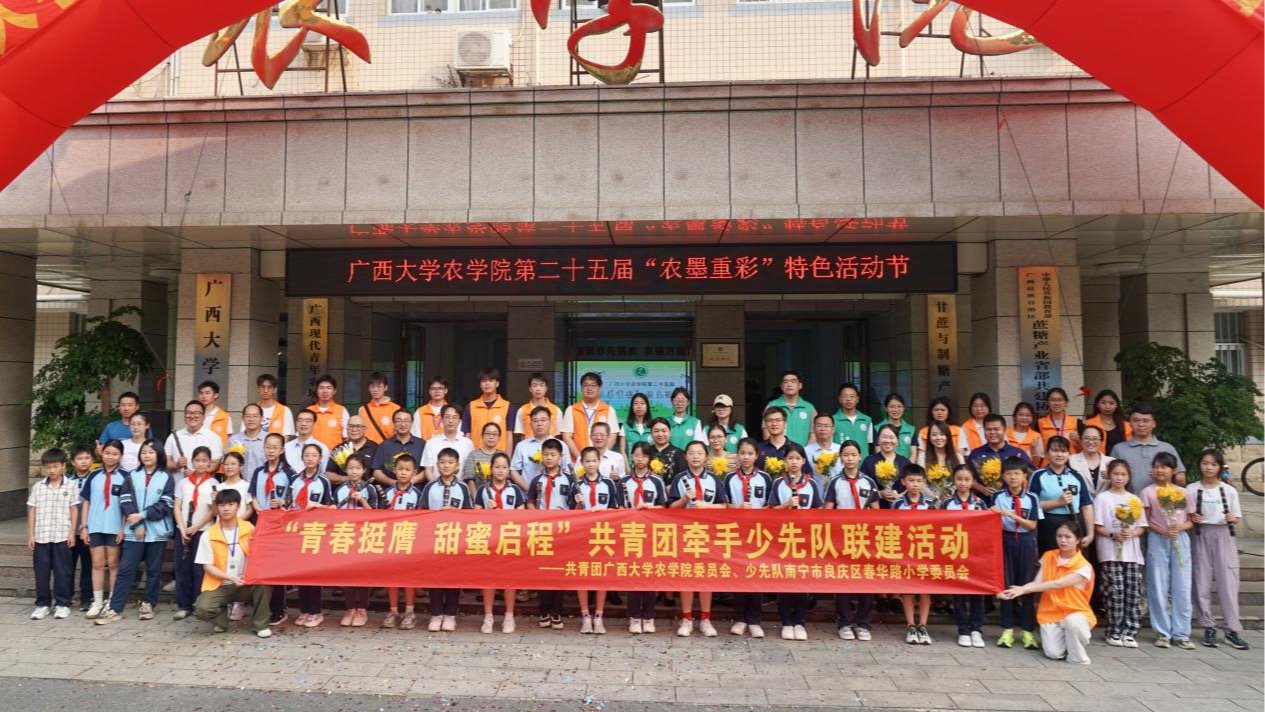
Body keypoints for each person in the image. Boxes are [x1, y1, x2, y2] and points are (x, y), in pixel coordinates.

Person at [96, 439, 174, 625]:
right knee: (126, 569)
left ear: (159, 455)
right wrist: (137, 525)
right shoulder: (132, 475)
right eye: (144, 452)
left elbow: (166, 504)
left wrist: (143, 515)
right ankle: (115, 608)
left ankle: (149, 604)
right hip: (134, 533)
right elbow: (125, 500)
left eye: (151, 452)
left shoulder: (166, 477)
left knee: (154, 570)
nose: (147, 455)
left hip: (157, 533)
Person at [998, 520, 1096, 664]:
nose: (1063, 540)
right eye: (1059, 536)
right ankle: (1071, 640)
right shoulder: (1049, 556)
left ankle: (1078, 657)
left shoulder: (1084, 566)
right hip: (1050, 613)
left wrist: (1023, 589)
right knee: (1053, 653)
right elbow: (1037, 583)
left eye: (1068, 537)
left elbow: (1057, 584)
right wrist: (1014, 591)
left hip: (1075, 612)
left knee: (1072, 622)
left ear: (1078, 539)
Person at [1188, 449, 1250, 650]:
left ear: (1220, 467)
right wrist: (1192, 518)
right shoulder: (1191, 489)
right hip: (1200, 534)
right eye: (1205, 463)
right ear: (1199, 465)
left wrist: (1233, 518)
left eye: (1213, 464)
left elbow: (1236, 516)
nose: (1208, 467)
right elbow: (1186, 516)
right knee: (1201, 581)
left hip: (1224, 534)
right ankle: (1208, 625)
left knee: (1228, 582)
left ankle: (1231, 628)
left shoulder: (1228, 490)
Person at [192, 489, 273, 638]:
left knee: (264, 586)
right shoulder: (208, 534)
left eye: (230, 504)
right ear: (217, 508)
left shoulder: (250, 528)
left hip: (246, 582)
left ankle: (260, 625)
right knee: (202, 609)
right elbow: (207, 566)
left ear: (238, 506)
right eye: (222, 505)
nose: (226, 509)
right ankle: (222, 620)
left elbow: (262, 553)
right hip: (220, 584)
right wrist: (229, 577)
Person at [668, 441, 726, 637]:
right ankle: (686, 619)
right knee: (687, 575)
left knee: (705, 575)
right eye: (691, 453)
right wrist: (684, 499)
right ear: (685, 456)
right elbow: (670, 508)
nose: (695, 456)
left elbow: (723, 506)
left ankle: (705, 619)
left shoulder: (714, 479)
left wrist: (705, 506)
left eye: (699, 453)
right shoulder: (679, 479)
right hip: (685, 533)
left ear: (706, 457)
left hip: (707, 533)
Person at [1141, 452, 1195, 650]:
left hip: (1180, 539)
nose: (1159, 470)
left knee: (1182, 586)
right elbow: (1145, 520)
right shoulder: (1148, 492)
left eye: (1164, 467)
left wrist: (1179, 527)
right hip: (1157, 538)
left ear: (1173, 470)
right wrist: (1163, 530)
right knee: (1158, 584)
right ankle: (1162, 632)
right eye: (1156, 466)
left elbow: (1191, 519)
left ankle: (1182, 633)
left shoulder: (1183, 493)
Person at [824, 440, 878, 641]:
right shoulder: (835, 482)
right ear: (840, 458)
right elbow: (827, 511)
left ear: (860, 457)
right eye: (846, 455)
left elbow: (877, 512)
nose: (850, 458)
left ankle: (863, 624)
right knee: (844, 581)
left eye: (853, 455)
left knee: (866, 581)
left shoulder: (869, 482)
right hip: (842, 538)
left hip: (864, 539)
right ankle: (844, 623)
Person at [769, 443, 822, 641]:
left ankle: (799, 621)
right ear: (784, 461)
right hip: (784, 539)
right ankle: (786, 622)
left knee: (801, 580)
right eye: (790, 458)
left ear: (804, 461)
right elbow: (770, 511)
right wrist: (786, 505)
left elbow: (818, 510)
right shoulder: (778, 483)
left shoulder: (811, 483)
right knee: (785, 580)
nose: (794, 462)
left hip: (804, 540)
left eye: (797, 459)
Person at [722, 437, 773, 638]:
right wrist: (738, 508)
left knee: (756, 575)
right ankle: (740, 618)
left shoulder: (765, 478)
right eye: (742, 453)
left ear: (757, 455)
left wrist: (758, 513)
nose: (746, 457)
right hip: (737, 532)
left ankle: (755, 620)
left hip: (759, 533)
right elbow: (724, 504)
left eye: (750, 453)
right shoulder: (729, 478)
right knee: (740, 575)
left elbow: (770, 505)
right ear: (737, 455)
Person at [1093, 459, 1147, 648]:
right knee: (1115, 592)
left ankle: (1130, 631)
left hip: (1131, 553)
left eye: (1123, 474)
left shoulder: (1134, 499)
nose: (1119, 478)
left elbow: (1141, 526)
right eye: (1116, 474)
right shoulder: (1103, 498)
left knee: (1132, 591)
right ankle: (1114, 631)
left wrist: (1131, 533)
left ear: (1129, 477)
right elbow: (1098, 525)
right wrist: (1113, 534)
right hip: (1110, 552)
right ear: (1109, 475)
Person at [420, 448, 473, 631]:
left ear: (457, 465)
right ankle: (436, 614)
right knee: (434, 577)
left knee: (452, 578)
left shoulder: (463, 488)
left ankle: (450, 614)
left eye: (450, 462)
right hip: (434, 539)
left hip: (455, 540)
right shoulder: (430, 487)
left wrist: (455, 512)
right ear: (437, 465)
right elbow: (421, 512)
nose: (446, 466)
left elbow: (470, 515)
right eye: (442, 462)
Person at [992, 456, 1042, 650]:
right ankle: (1007, 630)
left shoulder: (1032, 497)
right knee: (1006, 585)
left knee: (1026, 586)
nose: (1013, 477)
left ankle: (1028, 631)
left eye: (1017, 474)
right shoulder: (998, 496)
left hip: (1026, 541)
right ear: (1003, 476)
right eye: (1009, 474)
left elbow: (1032, 525)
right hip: (1004, 541)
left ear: (1024, 476)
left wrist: (1014, 516)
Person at [619, 442, 668, 635]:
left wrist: (649, 508)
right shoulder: (624, 481)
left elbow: (663, 507)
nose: (640, 460)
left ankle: (648, 616)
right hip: (630, 533)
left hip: (650, 534)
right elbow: (618, 507)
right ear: (631, 456)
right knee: (633, 576)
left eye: (644, 456)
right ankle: (633, 616)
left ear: (650, 459)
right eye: (637, 455)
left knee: (648, 575)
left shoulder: (656, 481)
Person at [475, 452, 525, 634]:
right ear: (491, 469)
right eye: (497, 467)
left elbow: (522, 515)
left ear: (509, 469)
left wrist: (503, 514)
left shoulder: (515, 490)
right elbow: (475, 516)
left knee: (509, 579)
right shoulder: (483, 490)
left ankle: (509, 616)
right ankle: (488, 616)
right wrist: (487, 512)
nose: (500, 470)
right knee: (488, 579)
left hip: (509, 540)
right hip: (488, 541)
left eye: (504, 467)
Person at [245, 433, 293, 626]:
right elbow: (252, 495)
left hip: (280, 525)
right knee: (261, 565)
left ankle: (279, 609)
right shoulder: (258, 472)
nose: (271, 450)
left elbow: (292, 499)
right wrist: (259, 509)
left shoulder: (289, 473)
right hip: (261, 522)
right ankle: (261, 608)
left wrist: (282, 504)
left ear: (282, 450)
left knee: (277, 567)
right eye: (268, 447)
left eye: (275, 447)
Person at [526, 438, 573, 629]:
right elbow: (530, 502)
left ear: (561, 457)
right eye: (546, 454)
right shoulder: (537, 480)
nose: (549, 458)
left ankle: (557, 612)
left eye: (553, 454)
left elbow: (574, 506)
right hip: (542, 530)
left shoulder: (570, 479)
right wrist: (536, 514)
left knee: (559, 572)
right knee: (542, 571)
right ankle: (544, 611)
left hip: (562, 531)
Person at [572, 447, 619, 635]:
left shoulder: (609, 484)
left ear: (599, 462)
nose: (591, 464)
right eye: (587, 461)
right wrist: (577, 504)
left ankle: (599, 616)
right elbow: (569, 516)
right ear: (582, 463)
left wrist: (604, 512)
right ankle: (585, 616)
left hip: (602, 536)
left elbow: (617, 511)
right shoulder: (576, 485)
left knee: (601, 575)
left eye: (594, 461)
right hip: (582, 536)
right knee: (582, 576)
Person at [941, 464, 988, 648]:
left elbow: (986, 527)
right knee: (958, 593)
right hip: (955, 553)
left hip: (976, 554)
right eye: (959, 479)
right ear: (954, 480)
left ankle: (976, 628)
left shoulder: (980, 503)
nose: (963, 483)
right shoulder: (947, 504)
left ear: (973, 481)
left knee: (977, 592)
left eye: (967, 480)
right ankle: (963, 629)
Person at [28, 448, 77, 621]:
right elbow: (32, 510)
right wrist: (31, 534)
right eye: (48, 467)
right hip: (41, 535)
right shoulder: (38, 487)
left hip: (62, 535)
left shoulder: (71, 486)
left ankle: (62, 604)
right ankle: (42, 604)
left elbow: (74, 509)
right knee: (41, 572)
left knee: (62, 571)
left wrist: (72, 533)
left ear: (63, 466)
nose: (52, 470)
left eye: (55, 466)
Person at [289, 443, 335, 627]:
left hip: (316, 531)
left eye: (314, 455)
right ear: (302, 457)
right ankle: (304, 610)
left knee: (313, 572)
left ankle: (316, 611)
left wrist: (317, 506)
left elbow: (331, 507)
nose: (310, 458)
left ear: (320, 459)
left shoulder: (323, 481)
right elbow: (289, 503)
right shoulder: (294, 479)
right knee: (300, 572)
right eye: (307, 455)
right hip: (297, 530)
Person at [79, 439, 126, 619]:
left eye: (115, 454)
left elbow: (127, 504)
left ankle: (112, 601)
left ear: (120, 456)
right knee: (97, 564)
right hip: (95, 526)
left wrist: (122, 528)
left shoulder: (125, 476)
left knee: (113, 564)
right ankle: (97, 601)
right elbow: (86, 502)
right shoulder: (93, 475)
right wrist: (84, 526)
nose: (110, 457)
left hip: (114, 527)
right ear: (101, 453)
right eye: (107, 453)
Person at [173, 446, 219, 621]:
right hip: (183, 531)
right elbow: (177, 506)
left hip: (203, 531)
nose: (200, 464)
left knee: (199, 569)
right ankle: (184, 605)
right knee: (182, 568)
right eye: (197, 460)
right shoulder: (183, 483)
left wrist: (196, 526)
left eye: (204, 461)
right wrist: (182, 528)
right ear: (192, 461)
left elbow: (213, 511)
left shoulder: (213, 483)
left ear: (209, 463)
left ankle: (197, 603)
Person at [1028, 436, 1095, 554]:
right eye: (1055, 450)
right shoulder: (1038, 475)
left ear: (1069, 454)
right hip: (1048, 526)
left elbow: (1087, 506)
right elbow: (1030, 505)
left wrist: (1090, 534)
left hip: (1074, 523)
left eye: (1063, 451)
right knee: (1050, 560)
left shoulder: (1076, 476)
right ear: (1047, 453)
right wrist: (1057, 503)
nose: (1059, 454)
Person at [333, 453, 377, 627]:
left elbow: (377, 515)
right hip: (345, 535)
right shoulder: (340, 490)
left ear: (364, 470)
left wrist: (363, 500)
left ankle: (362, 609)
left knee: (363, 573)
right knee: (346, 573)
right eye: (351, 468)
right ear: (346, 470)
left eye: (358, 468)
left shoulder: (370, 488)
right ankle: (350, 608)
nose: (354, 471)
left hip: (364, 535)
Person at [380, 453, 423, 630]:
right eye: (400, 469)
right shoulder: (387, 493)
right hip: (391, 541)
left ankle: (410, 611)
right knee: (392, 576)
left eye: (407, 470)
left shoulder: (418, 494)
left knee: (408, 577)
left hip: (410, 540)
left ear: (414, 472)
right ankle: (393, 611)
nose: (403, 473)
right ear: (394, 470)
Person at [892, 464, 934, 645]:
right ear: (903, 482)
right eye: (911, 480)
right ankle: (910, 625)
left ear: (924, 482)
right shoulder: (897, 504)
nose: (915, 484)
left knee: (925, 590)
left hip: (925, 552)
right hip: (905, 552)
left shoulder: (930, 505)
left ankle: (923, 625)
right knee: (907, 590)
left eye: (918, 481)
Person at [1110, 402, 1186, 492]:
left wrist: (1163, 475)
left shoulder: (1167, 448)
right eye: (1136, 421)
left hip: (1161, 499)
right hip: (1127, 499)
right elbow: (1110, 479)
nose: (1141, 424)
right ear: (1130, 423)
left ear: (1154, 424)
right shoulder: (1119, 449)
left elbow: (1181, 480)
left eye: (1145, 421)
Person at [967, 414, 1034, 498]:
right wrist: (981, 488)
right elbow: (966, 477)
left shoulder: (1017, 453)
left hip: (1012, 501)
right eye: (988, 429)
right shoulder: (976, 453)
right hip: (983, 502)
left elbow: (1032, 476)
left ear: (1004, 429)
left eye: (996, 429)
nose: (992, 432)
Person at [561, 371, 622, 460]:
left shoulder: (609, 410)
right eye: (586, 385)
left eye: (593, 385)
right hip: (577, 462)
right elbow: (567, 437)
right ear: (581, 388)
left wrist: (600, 458)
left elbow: (612, 436)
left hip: (602, 461)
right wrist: (581, 459)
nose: (589, 388)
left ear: (599, 388)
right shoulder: (571, 410)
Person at [511, 405, 572, 489]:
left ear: (550, 422)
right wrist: (529, 491)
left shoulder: (561, 445)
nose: (539, 424)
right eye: (535, 421)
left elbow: (567, 470)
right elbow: (514, 471)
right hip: (527, 494)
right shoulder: (521, 446)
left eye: (543, 420)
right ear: (530, 424)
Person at [66, 447, 95, 611]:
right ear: (72, 462)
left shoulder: (95, 479)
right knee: (67, 566)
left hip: (88, 531)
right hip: (70, 531)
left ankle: (86, 598)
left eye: (87, 458)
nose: (83, 461)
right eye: (79, 458)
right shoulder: (67, 481)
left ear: (92, 460)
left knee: (88, 566)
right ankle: (66, 596)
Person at [165, 400, 223, 482]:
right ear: (184, 416)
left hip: (203, 486)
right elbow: (165, 462)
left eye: (196, 413)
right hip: (178, 486)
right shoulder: (173, 437)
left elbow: (215, 465)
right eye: (188, 413)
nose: (192, 416)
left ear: (204, 417)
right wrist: (176, 465)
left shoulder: (213, 437)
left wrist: (196, 473)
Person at [370, 408, 425, 486]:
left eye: (406, 421)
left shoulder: (421, 444)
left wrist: (410, 482)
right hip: (390, 490)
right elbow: (376, 472)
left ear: (412, 423)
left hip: (416, 489)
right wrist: (394, 483)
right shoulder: (384, 445)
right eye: (399, 421)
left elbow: (427, 470)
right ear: (393, 423)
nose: (402, 424)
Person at [462, 367, 512, 452]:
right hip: (476, 454)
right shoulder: (471, 406)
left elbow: (509, 435)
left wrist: (508, 458)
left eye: (491, 380)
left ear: (497, 383)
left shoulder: (507, 406)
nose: (487, 383)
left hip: (499, 456)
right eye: (484, 381)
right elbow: (467, 434)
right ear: (480, 384)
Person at [861, 424, 911, 504]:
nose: (888, 441)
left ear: (897, 441)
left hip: (901, 508)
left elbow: (913, 488)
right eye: (884, 437)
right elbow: (861, 490)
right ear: (878, 440)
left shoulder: (905, 463)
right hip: (876, 508)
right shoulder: (869, 462)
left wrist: (899, 496)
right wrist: (879, 494)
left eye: (892, 437)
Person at [421, 404, 474, 482]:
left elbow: (468, 471)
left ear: (460, 421)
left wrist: (457, 485)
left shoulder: (468, 444)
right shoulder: (431, 443)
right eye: (447, 417)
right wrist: (437, 486)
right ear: (442, 419)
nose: (450, 421)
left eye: (454, 417)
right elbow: (428, 470)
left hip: (460, 487)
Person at [764, 370, 816, 445]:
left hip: (802, 452)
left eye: (793, 381)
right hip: (778, 451)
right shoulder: (772, 405)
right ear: (781, 386)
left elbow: (814, 434)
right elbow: (766, 431)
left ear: (800, 385)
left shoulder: (809, 408)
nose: (789, 384)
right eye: (785, 382)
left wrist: (805, 451)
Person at [326, 413, 378, 486]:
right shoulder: (339, 449)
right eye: (350, 426)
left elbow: (379, 473)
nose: (354, 429)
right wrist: (346, 479)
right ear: (346, 428)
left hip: (368, 490)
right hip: (344, 490)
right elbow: (328, 474)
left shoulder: (375, 448)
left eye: (358, 426)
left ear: (365, 429)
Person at [912, 397, 969, 463]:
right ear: (931, 412)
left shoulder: (958, 430)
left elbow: (961, 453)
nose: (939, 413)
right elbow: (921, 453)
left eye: (943, 410)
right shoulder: (923, 432)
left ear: (948, 412)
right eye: (936, 410)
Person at [513, 372, 562, 444]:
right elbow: (522, 436)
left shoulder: (556, 410)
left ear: (546, 388)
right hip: (529, 448)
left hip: (550, 448)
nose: (538, 389)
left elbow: (557, 435)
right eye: (535, 385)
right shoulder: (522, 411)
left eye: (541, 385)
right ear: (530, 389)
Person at [307, 373, 349, 451]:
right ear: (317, 390)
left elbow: (347, 438)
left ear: (334, 391)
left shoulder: (342, 410)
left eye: (329, 388)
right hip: (312, 455)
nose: (325, 391)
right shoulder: (309, 411)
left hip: (334, 456)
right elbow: (302, 435)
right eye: (321, 388)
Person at [1082, 389, 1131, 454]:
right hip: (1097, 459)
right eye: (1103, 403)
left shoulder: (1127, 425)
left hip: (1121, 459)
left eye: (1111, 403)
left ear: (1117, 405)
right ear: (1097, 404)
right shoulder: (1088, 424)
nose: (1107, 406)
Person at [830, 383, 872, 457]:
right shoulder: (833, 420)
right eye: (845, 396)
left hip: (863, 462)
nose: (848, 399)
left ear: (857, 399)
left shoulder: (866, 420)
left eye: (852, 396)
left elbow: (870, 443)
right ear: (839, 399)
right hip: (840, 462)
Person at [1069, 425, 1113, 495]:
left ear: (1101, 441)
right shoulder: (1071, 460)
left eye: (1095, 439)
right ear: (1080, 440)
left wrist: (1112, 477)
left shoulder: (1111, 462)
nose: (1091, 442)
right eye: (1086, 438)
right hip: (1080, 501)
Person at [357, 371, 399, 445]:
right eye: (372, 387)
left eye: (379, 387)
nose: (375, 390)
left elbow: (398, 433)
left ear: (386, 388)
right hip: (368, 449)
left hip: (388, 448)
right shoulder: (362, 410)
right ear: (368, 388)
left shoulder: (396, 409)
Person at [462, 422, 504, 494]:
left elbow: (506, 479)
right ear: (482, 436)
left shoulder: (502, 455)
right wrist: (477, 498)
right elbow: (470, 481)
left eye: (494, 434)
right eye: (488, 433)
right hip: (478, 496)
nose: (491, 437)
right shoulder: (473, 455)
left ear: (499, 438)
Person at [285, 409, 331, 476]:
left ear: (314, 424)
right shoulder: (286, 447)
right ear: (296, 423)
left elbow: (323, 472)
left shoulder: (322, 448)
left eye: (308, 421)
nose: (303, 424)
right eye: (300, 420)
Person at [228, 404, 268, 479]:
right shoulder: (234, 440)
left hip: (262, 483)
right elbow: (227, 465)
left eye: (255, 416)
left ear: (262, 418)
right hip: (239, 484)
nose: (251, 419)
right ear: (242, 418)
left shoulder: (269, 440)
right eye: (248, 416)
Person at [1037, 387, 1081, 454]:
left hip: (1071, 459)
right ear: (1047, 403)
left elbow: (1085, 450)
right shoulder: (1040, 423)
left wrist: (1078, 440)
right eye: (1053, 400)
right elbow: (1037, 451)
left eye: (1060, 400)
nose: (1056, 403)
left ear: (1066, 402)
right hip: (1049, 460)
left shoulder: (1077, 422)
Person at [872, 393, 915, 459]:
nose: (896, 410)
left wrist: (908, 465)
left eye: (899, 406)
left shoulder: (911, 429)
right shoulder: (877, 428)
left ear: (903, 408)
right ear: (886, 408)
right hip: (885, 465)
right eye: (892, 407)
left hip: (907, 465)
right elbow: (878, 451)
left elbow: (913, 454)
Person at [805, 414, 843, 484]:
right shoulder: (806, 452)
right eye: (819, 425)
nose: (823, 429)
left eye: (826, 426)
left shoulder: (841, 450)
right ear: (813, 429)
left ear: (833, 429)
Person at [411, 376, 451, 442]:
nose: (437, 391)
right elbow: (416, 436)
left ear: (446, 390)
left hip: (447, 448)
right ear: (429, 391)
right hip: (425, 447)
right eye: (433, 388)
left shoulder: (451, 411)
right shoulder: (420, 412)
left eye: (440, 388)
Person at [197, 380, 233, 449]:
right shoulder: (195, 415)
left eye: (207, 393)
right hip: (198, 452)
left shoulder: (225, 416)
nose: (203, 396)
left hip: (217, 452)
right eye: (201, 393)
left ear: (216, 395)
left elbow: (229, 440)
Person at [622, 392, 654, 460]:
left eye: (642, 403)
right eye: (636, 403)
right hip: (631, 465)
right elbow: (622, 451)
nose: (639, 406)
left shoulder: (653, 426)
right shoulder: (625, 426)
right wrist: (627, 466)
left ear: (647, 406)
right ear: (632, 407)